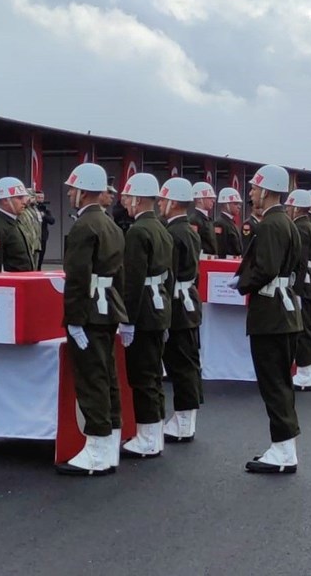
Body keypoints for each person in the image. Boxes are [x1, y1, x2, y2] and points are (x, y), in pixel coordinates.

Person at [58, 162, 128, 476]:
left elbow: (76, 277)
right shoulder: (110, 224)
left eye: (73, 189)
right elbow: (120, 275)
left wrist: (72, 318)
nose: (70, 194)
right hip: (107, 308)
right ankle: (109, 443)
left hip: (89, 310)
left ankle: (97, 448)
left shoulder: (83, 227)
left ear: (83, 190)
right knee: (108, 376)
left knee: (92, 379)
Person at [231, 164, 303, 474]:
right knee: (280, 382)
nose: (251, 193)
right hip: (283, 310)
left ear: (268, 191)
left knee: (273, 382)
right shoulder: (285, 223)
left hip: (271, 313)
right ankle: (283, 446)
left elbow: (266, 267)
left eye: (255, 188)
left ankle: (283, 449)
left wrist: (242, 283)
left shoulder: (272, 225)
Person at [118, 173, 172, 459]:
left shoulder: (138, 231)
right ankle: (154, 433)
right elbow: (169, 277)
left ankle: (148, 435)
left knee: (142, 376)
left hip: (145, 311)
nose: (125, 202)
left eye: (127, 197)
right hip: (159, 306)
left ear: (137, 198)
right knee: (153, 374)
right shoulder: (162, 227)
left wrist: (127, 319)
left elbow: (132, 280)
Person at [158, 177, 203, 443]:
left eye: (163, 200)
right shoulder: (189, 230)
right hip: (189, 301)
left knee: (181, 362)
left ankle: (184, 418)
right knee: (187, 361)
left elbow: (169, 275)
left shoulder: (174, 233)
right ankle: (186, 417)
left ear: (173, 202)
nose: (160, 204)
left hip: (178, 304)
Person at [287, 189, 311, 392]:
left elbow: (299, 261)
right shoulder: (310, 226)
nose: (288, 210)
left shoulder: (301, 228)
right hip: (309, 280)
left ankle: (306, 372)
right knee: (306, 326)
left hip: (302, 282)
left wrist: (295, 288)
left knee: (304, 328)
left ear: (297, 207)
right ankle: (306, 370)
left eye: (290, 207)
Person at [0, 177, 37, 272]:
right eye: (19, 198)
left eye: (24, 197)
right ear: (5, 200)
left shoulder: (16, 222)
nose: (24, 202)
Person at [188, 181, 218, 255]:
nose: (213, 201)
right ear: (199, 200)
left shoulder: (208, 219)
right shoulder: (194, 220)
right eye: (209, 198)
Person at [215, 187, 244, 258]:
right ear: (226, 204)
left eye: (239, 204)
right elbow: (220, 249)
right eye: (235, 203)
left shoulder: (231, 222)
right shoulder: (220, 223)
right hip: (226, 263)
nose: (239, 206)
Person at [19, 189, 43, 267]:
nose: (33, 200)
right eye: (31, 197)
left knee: (35, 266)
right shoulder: (23, 211)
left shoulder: (34, 210)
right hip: (29, 244)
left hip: (35, 243)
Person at [35, 191, 55, 269]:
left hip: (43, 236)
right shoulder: (31, 209)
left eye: (42, 198)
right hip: (33, 236)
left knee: (41, 256)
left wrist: (44, 215)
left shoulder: (45, 210)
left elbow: (52, 221)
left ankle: (39, 268)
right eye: (38, 198)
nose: (40, 200)